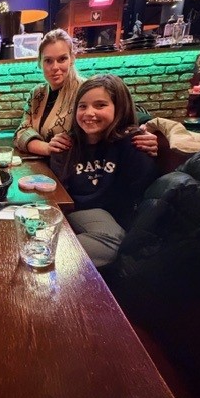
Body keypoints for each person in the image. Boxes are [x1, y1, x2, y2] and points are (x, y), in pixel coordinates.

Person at [50, 74, 158, 268]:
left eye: (100, 105)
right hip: (77, 211)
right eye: (82, 106)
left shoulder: (135, 143)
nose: (89, 113)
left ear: (119, 107)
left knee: (114, 242)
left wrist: (154, 130)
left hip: (116, 220)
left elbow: (141, 196)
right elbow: (59, 191)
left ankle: (40, 255)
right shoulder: (67, 144)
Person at [14, 28, 158, 157]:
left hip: (79, 168)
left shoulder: (86, 90)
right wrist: (46, 148)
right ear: (40, 62)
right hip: (47, 166)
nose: (55, 67)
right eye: (48, 61)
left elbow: (126, 115)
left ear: (72, 59)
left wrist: (146, 132)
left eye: (62, 59)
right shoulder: (37, 94)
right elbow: (21, 132)